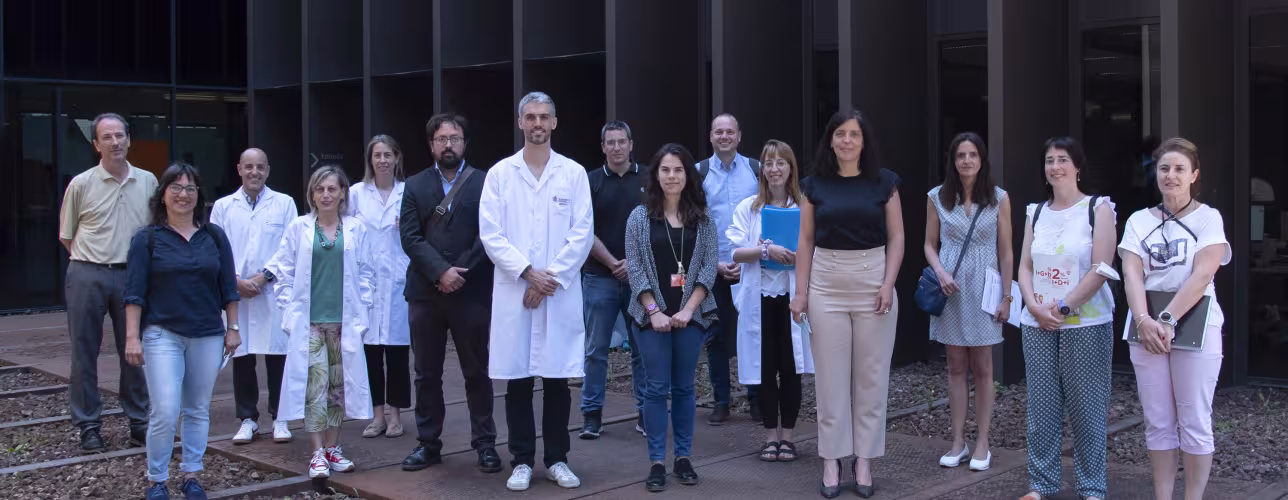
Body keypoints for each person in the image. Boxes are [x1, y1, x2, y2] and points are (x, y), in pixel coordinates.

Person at [479, 92, 593, 492]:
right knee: (519, 380)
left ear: (555, 123)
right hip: (516, 291)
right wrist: (528, 274)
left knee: (558, 378)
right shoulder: (500, 174)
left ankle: (558, 458)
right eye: (531, 117)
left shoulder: (574, 173)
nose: (538, 123)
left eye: (545, 116)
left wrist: (550, 280)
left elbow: (582, 233)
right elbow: (491, 234)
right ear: (520, 122)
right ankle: (522, 460)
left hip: (557, 293)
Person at [790, 109, 904, 498]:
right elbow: (805, 241)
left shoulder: (885, 182)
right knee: (831, 379)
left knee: (871, 377)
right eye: (840, 134)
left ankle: (865, 460)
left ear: (864, 140)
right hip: (826, 284)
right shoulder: (813, 185)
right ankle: (831, 459)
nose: (847, 141)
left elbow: (898, 237)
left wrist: (888, 283)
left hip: (874, 281)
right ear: (831, 140)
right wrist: (801, 292)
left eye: (854, 135)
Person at [1119, 138, 1229, 500]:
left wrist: (1166, 319)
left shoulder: (1208, 217)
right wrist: (1143, 319)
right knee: (1158, 421)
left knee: (1194, 419)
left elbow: (1203, 274)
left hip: (1195, 323)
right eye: (1165, 168)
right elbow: (1132, 272)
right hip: (1145, 327)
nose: (1171, 175)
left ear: (1194, 175)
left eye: (1180, 169)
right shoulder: (1138, 220)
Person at [124, 163, 240, 500]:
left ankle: (192, 475)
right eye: (175, 187)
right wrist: (132, 337)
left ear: (198, 195)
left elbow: (228, 288)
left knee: (197, 408)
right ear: (162, 194)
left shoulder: (214, 236)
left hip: (207, 333)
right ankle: (157, 479)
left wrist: (232, 328)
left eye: (190, 188)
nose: (183, 194)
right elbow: (134, 293)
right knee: (165, 409)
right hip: (163, 334)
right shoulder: (146, 239)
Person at [399, 113, 501, 474]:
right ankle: (428, 443)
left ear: (464, 143)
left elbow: (490, 235)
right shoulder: (413, 185)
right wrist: (440, 272)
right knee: (426, 372)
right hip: (425, 292)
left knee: (477, 370)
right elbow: (409, 237)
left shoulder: (485, 183)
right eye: (441, 139)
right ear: (431, 145)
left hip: (470, 289)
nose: (448, 145)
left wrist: (460, 272)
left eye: (454, 138)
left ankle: (485, 443)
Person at [1016, 137, 1116, 500]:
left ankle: (1091, 488)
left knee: (1087, 407)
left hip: (1085, 323)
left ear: (1077, 167)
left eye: (1062, 159)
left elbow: (1102, 267)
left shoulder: (1098, 208)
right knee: (1041, 407)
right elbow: (1024, 266)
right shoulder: (1035, 212)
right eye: (1049, 160)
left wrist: (1062, 309)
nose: (1055, 166)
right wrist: (1033, 305)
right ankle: (1041, 486)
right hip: (1037, 322)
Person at [266, 165, 375, 479]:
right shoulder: (299, 227)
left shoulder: (356, 228)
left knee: (338, 390)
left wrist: (362, 308)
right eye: (320, 189)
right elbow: (284, 273)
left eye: (332, 189)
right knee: (315, 388)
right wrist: (289, 310)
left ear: (343, 192)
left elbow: (367, 273)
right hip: (310, 323)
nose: (326, 195)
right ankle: (315, 454)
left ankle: (332, 448)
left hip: (344, 323)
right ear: (312, 194)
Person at [624, 143, 718, 492]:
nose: (672, 176)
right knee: (655, 387)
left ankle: (682, 457)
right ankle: (656, 462)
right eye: (665, 170)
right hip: (651, 317)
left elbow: (709, 268)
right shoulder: (639, 217)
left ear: (687, 175)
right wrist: (655, 311)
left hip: (690, 317)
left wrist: (688, 310)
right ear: (656, 174)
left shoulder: (704, 218)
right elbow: (634, 267)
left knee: (683, 388)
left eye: (678, 170)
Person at [57, 112, 154, 452]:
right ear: (96, 144)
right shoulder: (81, 184)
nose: (115, 142)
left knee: (135, 350)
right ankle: (88, 426)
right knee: (84, 352)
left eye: (120, 135)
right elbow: (67, 236)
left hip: (132, 275)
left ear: (129, 139)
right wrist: (95, 259)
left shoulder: (148, 182)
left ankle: (139, 422)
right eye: (107, 137)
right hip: (88, 271)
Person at [923, 133, 1012, 471]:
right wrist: (940, 272)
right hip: (951, 288)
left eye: (973, 155)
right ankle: (958, 440)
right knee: (955, 365)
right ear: (953, 160)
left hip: (985, 288)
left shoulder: (999, 198)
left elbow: (1006, 250)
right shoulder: (937, 197)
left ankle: (983, 442)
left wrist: (1007, 295)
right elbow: (929, 244)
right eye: (961, 155)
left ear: (982, 159)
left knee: (984, 366)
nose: (967, 161)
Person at [728, 140, 814, 463]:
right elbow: (735, 251)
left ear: (791, 168)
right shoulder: (748, 208)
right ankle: (769, 437)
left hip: (793, 298)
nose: (774, 169)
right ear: (761, 170)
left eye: (781, 163)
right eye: (768, 163)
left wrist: (795, 256)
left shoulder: (804, 207)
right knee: (764, 369)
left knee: (791, 368)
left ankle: (789, 437)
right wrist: (765, 251)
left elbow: (815, 250)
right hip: (759, 299)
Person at [211, 148, 297, 446]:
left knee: (277, 355)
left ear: (268, 170)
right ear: (239, 169)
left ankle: (280, 417)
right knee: (242, 355)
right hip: (237, 294)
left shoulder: (284, 204)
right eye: (249, 167)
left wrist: (263, 277)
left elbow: (290, 247)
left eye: (260, 167)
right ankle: (248, 418)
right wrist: (235, 281)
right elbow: (216, 249)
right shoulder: (223, 206)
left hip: (272, 290)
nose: (254, 172)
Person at [579, 120, 647, 439]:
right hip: (598, 278)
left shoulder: (650, 179)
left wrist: (632, 265)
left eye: (622, 141)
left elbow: (658, 227)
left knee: (642, 348)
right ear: (603, 146)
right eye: (611, 142)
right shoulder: (589, 181)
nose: (617, 147)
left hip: (642, 281)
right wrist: (612, 262)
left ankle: (646, 413)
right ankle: (592, 414)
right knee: (596, 350)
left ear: (631, 144)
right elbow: (582, 232)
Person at [699, 113, 762, 425]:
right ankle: (721, 400)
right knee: (717, 337)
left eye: (730, 132)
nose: (724, 137)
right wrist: (716, 265)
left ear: (739, 136)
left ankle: (756, 400)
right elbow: (695, 226)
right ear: (711, 136)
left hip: (751, 268)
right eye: (718, 132)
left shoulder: (755, 171)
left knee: (752, 335)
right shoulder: (699, 174)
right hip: (715, 269)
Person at [350, 135, 412, 439]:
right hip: (366, 282)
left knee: (398, 352)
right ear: (370, 160)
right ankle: (376, 415)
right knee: (370, 352)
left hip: (398, 282)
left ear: (397, 158)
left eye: (388, 154)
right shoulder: (356, 194)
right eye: (377, 155)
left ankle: (396, 414)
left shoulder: (407, 192)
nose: (383, 160)